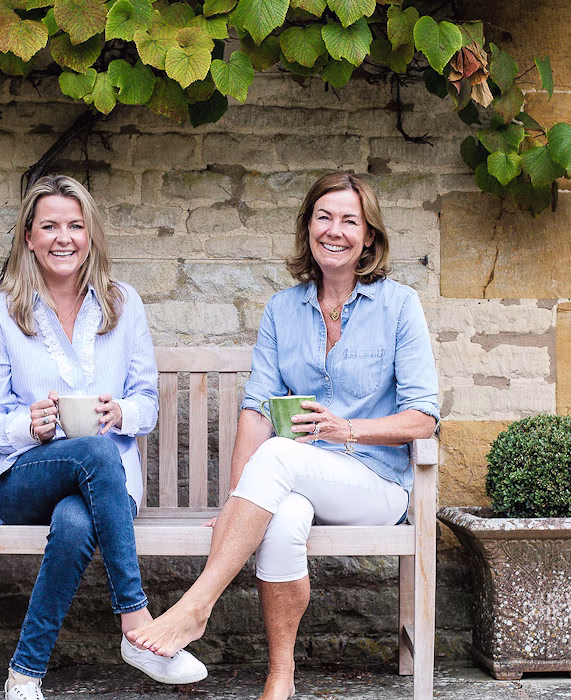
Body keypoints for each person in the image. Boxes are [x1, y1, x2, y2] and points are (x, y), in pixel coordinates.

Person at [127, 172, 439, 700]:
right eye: (324, 217)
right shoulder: (282, 309)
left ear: (369, 236)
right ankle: (281, 676)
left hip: (377, 485)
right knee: (284, 520)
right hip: (297, 478)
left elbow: (424, 419)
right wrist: (235, 502)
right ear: (307, 228)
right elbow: (255, 409)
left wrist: (349, 430)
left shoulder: (399, 306)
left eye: (349, 220)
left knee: (279, 455)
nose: (334, 230)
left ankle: (194, 610)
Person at [0, 175, 207, 700]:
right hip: (23, 479)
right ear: (28, 237)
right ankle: (136, 622)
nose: (64, 238)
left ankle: (24, 674)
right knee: (98, 454)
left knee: (77, 520)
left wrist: (119, 410)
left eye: (76, 226)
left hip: (104, 488)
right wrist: (25, 424)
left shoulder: (123, 305)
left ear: (91, 235)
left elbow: (146, 399)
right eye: (49, 226)